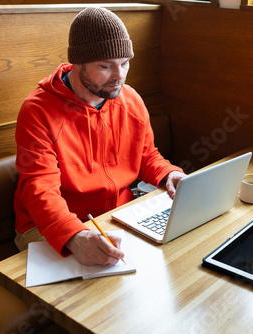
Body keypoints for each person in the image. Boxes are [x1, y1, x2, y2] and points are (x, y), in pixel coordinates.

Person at [14, 7, 185, 266]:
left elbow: (146, 155)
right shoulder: (37, 111)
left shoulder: (131, 100)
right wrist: (74, 235)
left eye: (124, 63)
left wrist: (169, 174)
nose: (119, 76)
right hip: (49, 224)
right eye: (105, 66)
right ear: (78, 63)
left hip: (116, 215)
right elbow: (40, 189)